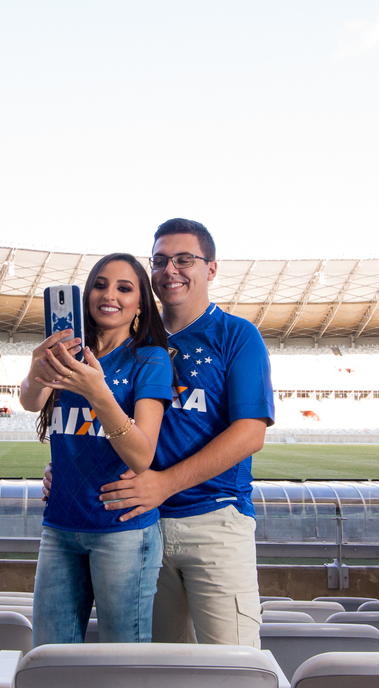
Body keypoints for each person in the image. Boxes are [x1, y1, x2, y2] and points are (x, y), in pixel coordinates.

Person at [94, 218, 275, 647]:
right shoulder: (126, 339)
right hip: (138, 529)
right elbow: (97, 418)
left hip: (215, 521)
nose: (169, 270)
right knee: (154, 676)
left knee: (233, 669)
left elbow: (250, 433)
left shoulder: (237, 335)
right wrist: (61, 471)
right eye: (159, 260)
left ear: (210, 269)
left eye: (184, 259)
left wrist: (164, 485)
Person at [20, 253, 173, 646]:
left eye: (125, 288)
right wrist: (40, 366)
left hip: (120, 530)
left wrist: (98, 391)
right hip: (60, 527)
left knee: (123, 661)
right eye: (100, 285)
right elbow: (31, 402)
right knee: (50, 656)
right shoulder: (67, 354)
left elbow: (141, 456)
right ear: (86, 295)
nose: (110, 295)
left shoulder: (150, 359)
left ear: (141, 304)